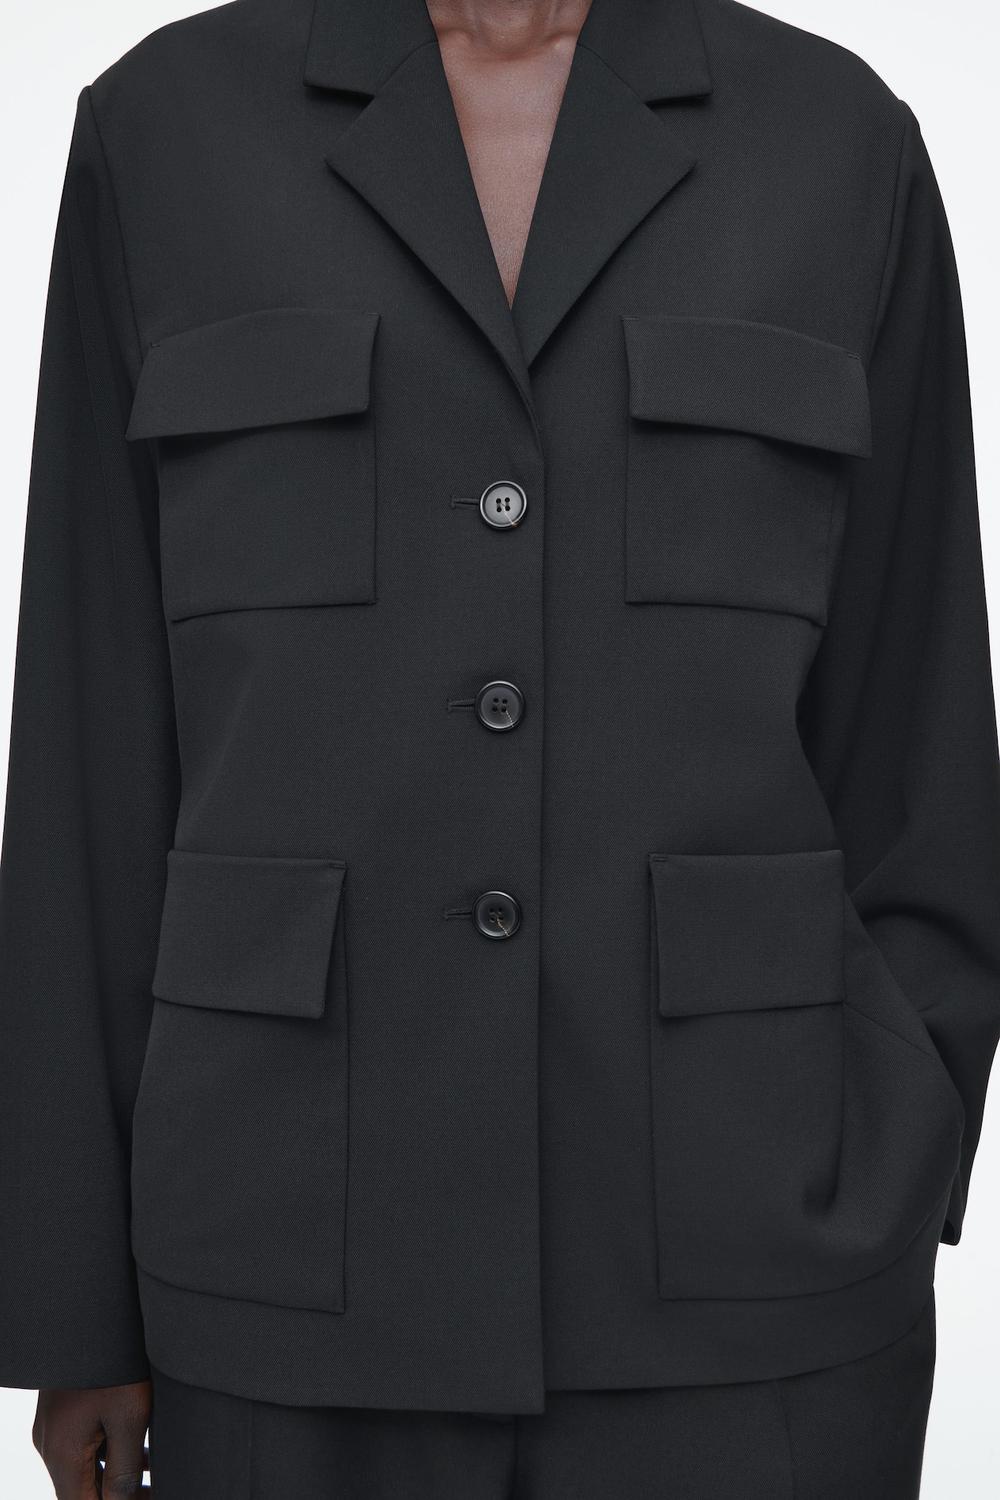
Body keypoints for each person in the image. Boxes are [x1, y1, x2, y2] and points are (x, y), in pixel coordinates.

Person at [2, 0, 999, 1495]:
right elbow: (90, 748)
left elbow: (919, 737)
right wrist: (73, 1296)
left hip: (751, 1301)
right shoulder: (164, 132)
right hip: (280, 1280)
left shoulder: (838, 144)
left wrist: (894, 1146)